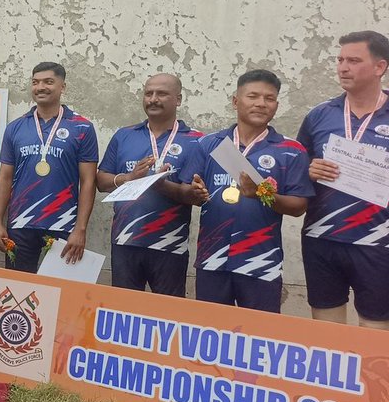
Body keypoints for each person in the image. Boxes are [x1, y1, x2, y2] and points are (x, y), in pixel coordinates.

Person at [171, 69, 312, 313]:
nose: (261, 103)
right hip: (211, 260)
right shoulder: (209, 144)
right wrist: (193, 193)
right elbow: (185, 189)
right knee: (211, 337)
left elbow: (299, 207)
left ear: (276, 105)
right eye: (253, 96)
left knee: (259, 339)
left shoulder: (291, 150)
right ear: (236, 101)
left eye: (269, 98)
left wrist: (262, 194)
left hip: (261, 264)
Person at [297, 30, 389, 329]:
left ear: (380, 67)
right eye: (339, 60)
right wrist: (309, 169)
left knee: (374, 335)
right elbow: (297, 171)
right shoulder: (319, 115)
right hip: (322, 239)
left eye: (353, 60)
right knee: (327, 335)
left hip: (377, 241)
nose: (342, 67)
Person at [96, 74, 202, 296]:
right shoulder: (124, 135)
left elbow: (194, 196)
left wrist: (161, 185)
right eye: (148, 93)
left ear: (179, 99)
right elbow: (101, 181)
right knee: (124, 313)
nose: (153, 99)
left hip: (169, 245)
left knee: (167, 317)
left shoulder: (196, 141)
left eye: (162, 94)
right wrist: (129, 178)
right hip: (125, 242)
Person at [0, 62, 98, 272]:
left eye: (48, 82)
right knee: (18, 293)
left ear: (62, 87)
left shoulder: (82, 127)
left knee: (61, 295)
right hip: (21, 223)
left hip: (63, 224)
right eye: (35, 82)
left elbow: (88, 182)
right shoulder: (16, 127)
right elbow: (4, 177)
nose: (41, 87)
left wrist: (80, 229)